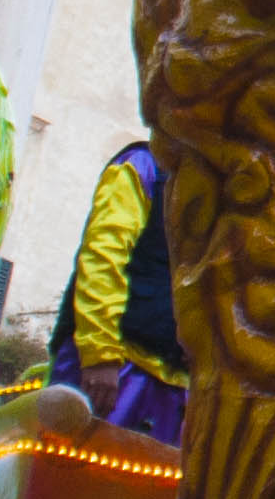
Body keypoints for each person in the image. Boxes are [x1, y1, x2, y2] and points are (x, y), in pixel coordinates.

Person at [44, 142, 186, 442]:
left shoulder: (216, 191)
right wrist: (100, 355)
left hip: (177, 392)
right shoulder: (142, 166)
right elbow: (103, 258)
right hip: (114, 373)